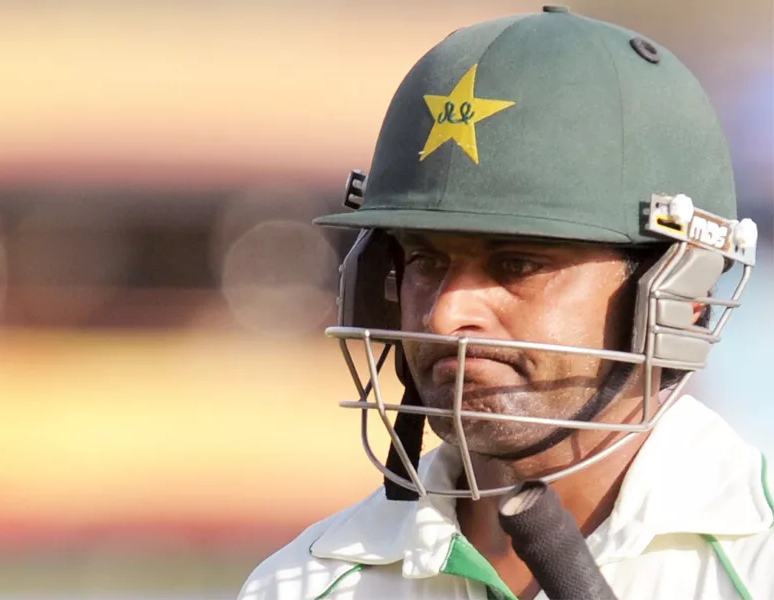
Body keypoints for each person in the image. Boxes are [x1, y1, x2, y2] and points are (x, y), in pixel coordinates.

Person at [239, 6, 772, 599]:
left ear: (683, 293)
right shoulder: (302, 585)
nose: (445, 316)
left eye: (518, 265)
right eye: (425, 261)